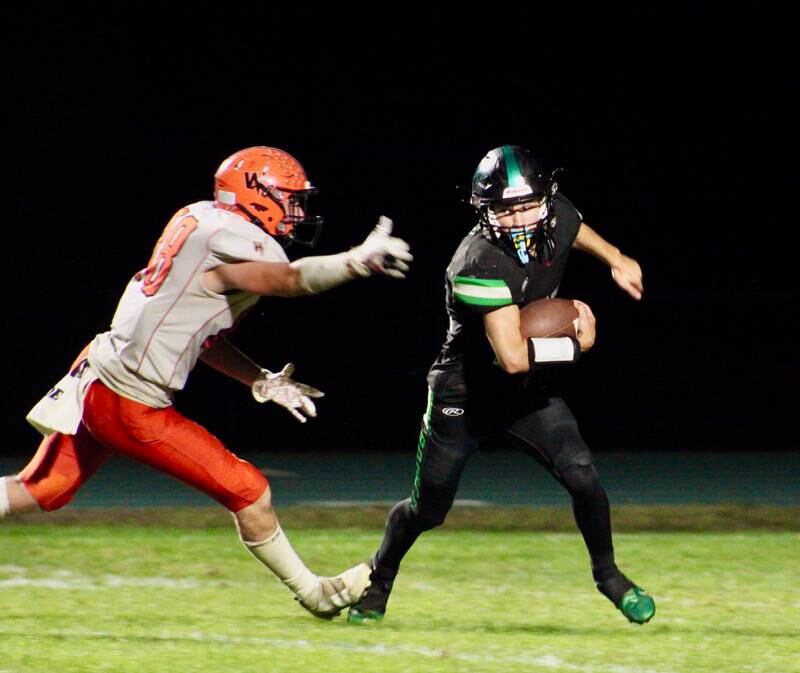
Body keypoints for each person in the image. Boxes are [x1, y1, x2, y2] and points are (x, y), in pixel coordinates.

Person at [0, 146, 412, 620]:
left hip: (98, 372)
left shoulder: (200, 218)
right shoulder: (231, 238)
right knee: (250, 490)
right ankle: (315, 594)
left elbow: (200, 332)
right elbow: (290, 279)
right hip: (129, 401)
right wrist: (357, 262)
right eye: (289, 199)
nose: (298, 212)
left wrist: (258, 378)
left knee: (44, 488)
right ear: (258, 196)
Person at [347, 144, 655, 625]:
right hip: (465, 392)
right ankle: (379, 578)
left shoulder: (556, 214)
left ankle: (609, 576)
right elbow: (512, 358)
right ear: (484, 211)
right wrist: (579, 344)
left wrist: (617, 257)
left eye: (528, 205)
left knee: (582, 475)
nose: (519, 219)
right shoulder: (478, 262)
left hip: (522, 393)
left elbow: (573, 227)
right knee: (428, 510)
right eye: (505, 210)